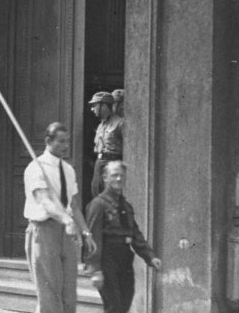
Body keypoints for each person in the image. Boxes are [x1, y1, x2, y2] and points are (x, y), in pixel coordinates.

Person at [24, 122, 96, 313]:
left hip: (67, 233)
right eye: (61, 141)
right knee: (49, 292)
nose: (66, 146)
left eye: (67, 141)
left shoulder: (68, 169)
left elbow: (73, 204)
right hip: (45, 230)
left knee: (69, 292)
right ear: (48, 141)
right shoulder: (36, 167)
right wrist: (67, 220)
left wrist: (86, 232)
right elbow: (45, 201)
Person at [85, 161, 162, 312]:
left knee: (125, 301)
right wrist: (95, 269)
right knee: (114, 306)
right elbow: (92, 238)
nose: (119, 179)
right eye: (114, 175)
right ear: (105, 177)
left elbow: (135, 234)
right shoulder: (98, 204)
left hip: (125, 258)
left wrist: (150, 256)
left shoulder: (126, 206)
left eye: (122, 176)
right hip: (107, 258)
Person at [90, 92, 124, 197]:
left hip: (112, 163)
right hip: (99, 163)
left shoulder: (120, 123)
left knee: (111, 197)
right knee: (96, 193)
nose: (92, 109)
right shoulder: (101, 125)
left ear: (104, 106)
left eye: (94, 105)